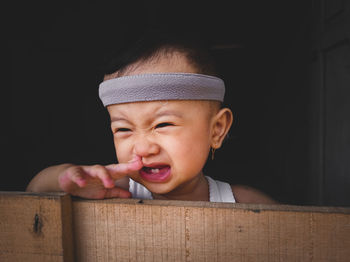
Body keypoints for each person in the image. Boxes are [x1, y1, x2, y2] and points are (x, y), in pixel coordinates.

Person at [26, 29, 277, 204]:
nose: (143, 147)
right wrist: (68, 177)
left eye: (163, 124)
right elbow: (34, 190)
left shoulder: (243, 202)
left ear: (217, 129)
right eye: (123, 129)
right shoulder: (115, 191)